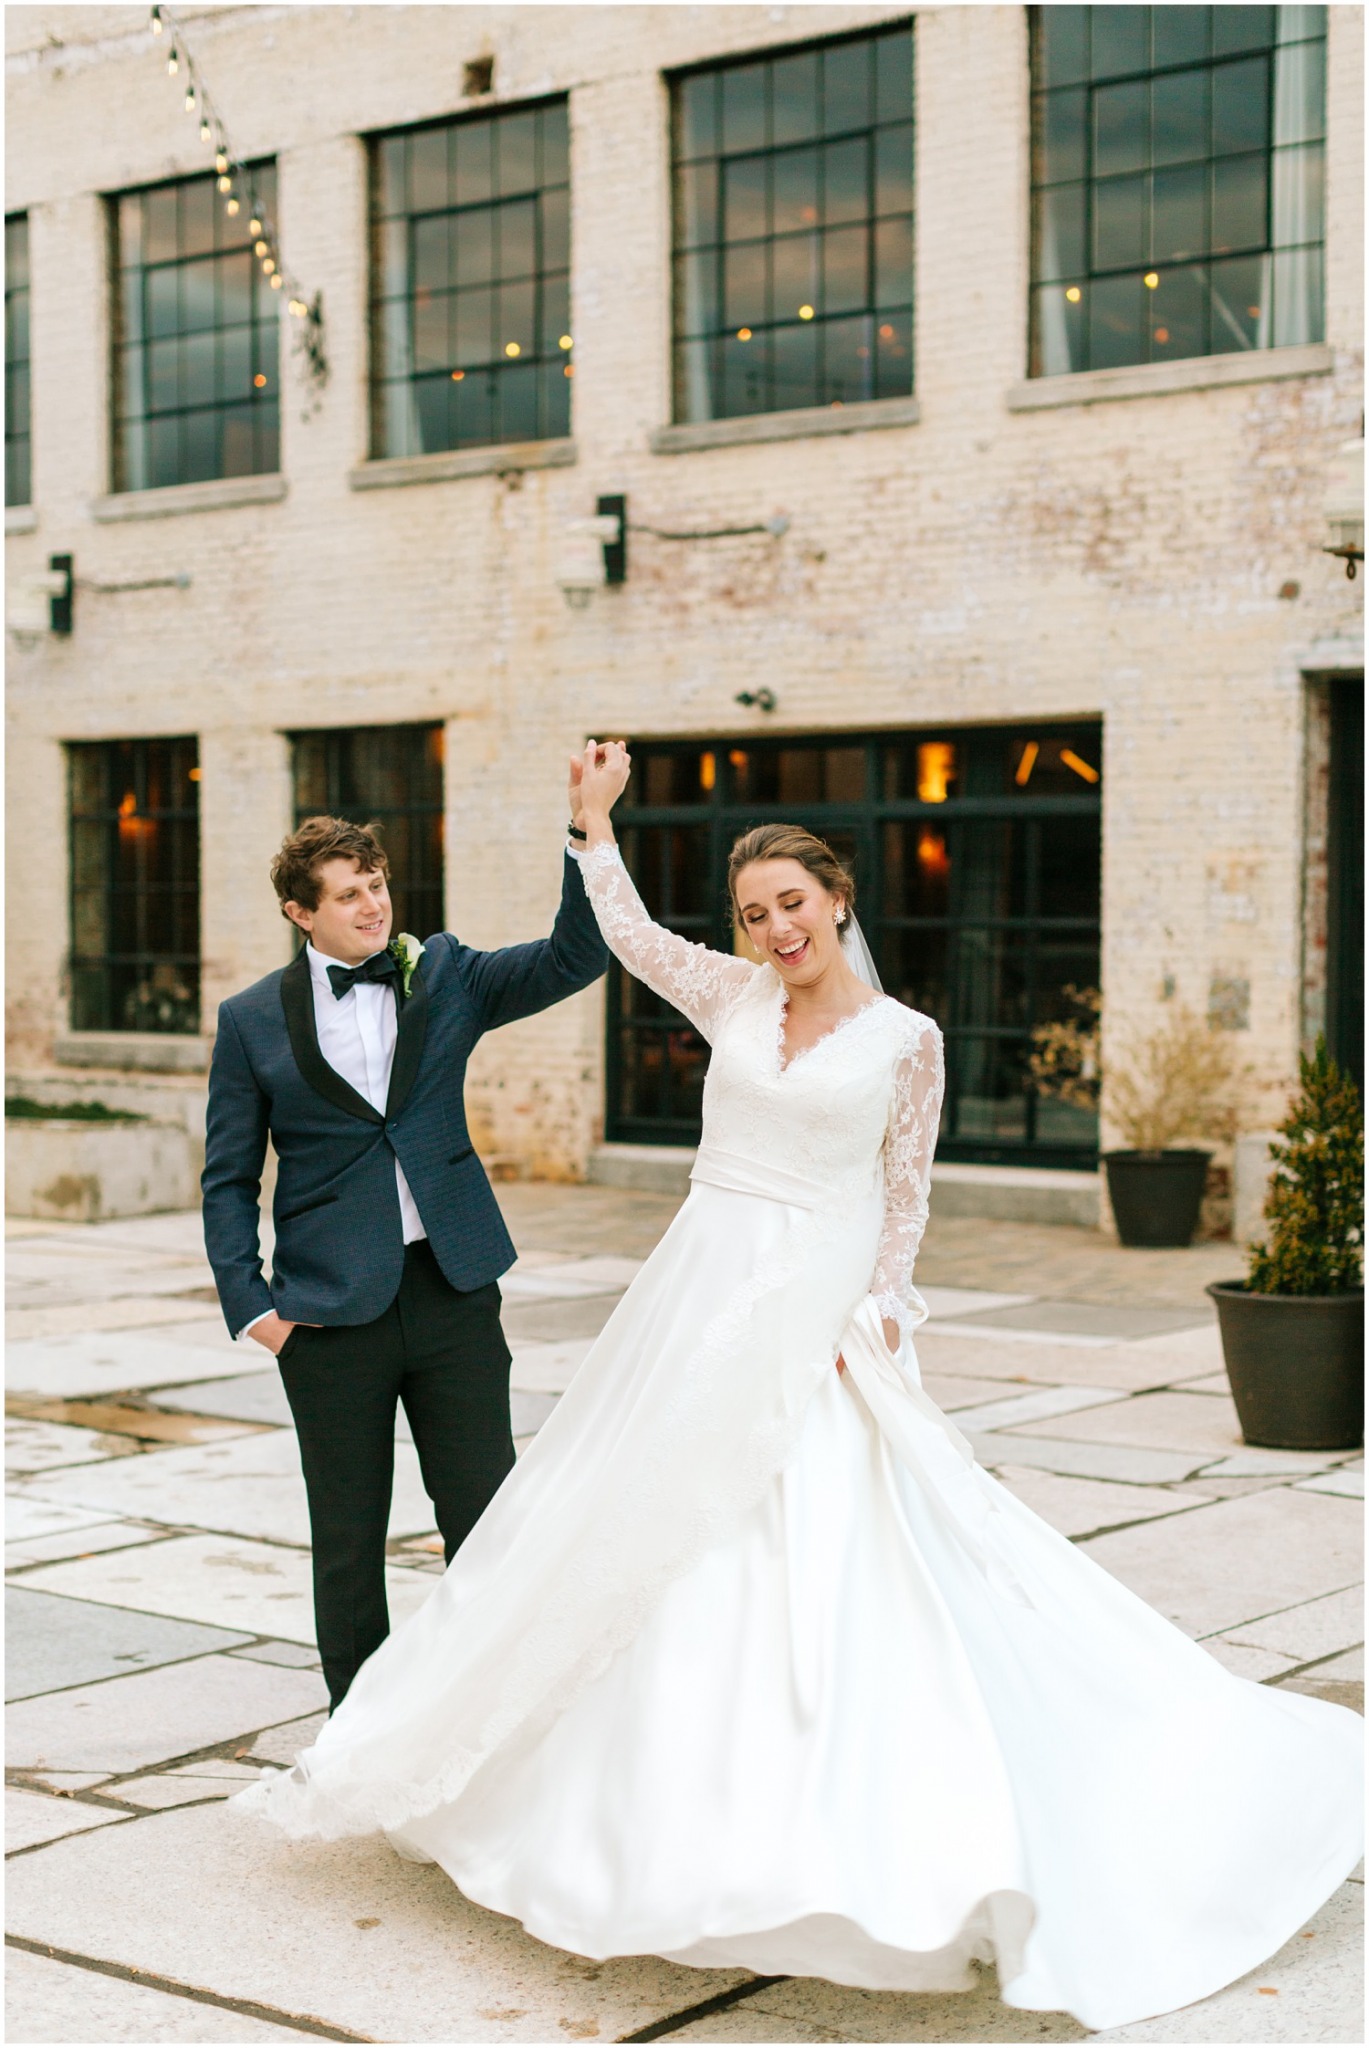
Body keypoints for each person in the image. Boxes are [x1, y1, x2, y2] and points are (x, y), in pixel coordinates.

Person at [235, 743, 1362, 2032]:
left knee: (833, 1542)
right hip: (696, 1291)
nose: (776, 926)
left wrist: (878, 1305)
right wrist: (588, 825)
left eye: (793, 902)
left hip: (813, 1309)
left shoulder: (909, 1040)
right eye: (756, 910)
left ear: (838, 900)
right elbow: (627, 936)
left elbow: (904, 1195)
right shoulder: (727, 997)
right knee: (623, 1528)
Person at [202, 792, 607, 1710]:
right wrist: (253, 1308)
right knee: (347, 1540)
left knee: (487, 1521)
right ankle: (358, 1733)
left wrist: (584, 831)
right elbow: (227, 1177)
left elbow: (574, 957)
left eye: (376, 885)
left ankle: (495, 1714)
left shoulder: (448, 975)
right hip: (327, 1315)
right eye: (346, 895)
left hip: (452, 1292)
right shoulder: (252, 1019)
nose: (372, 905)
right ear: (300, 913)